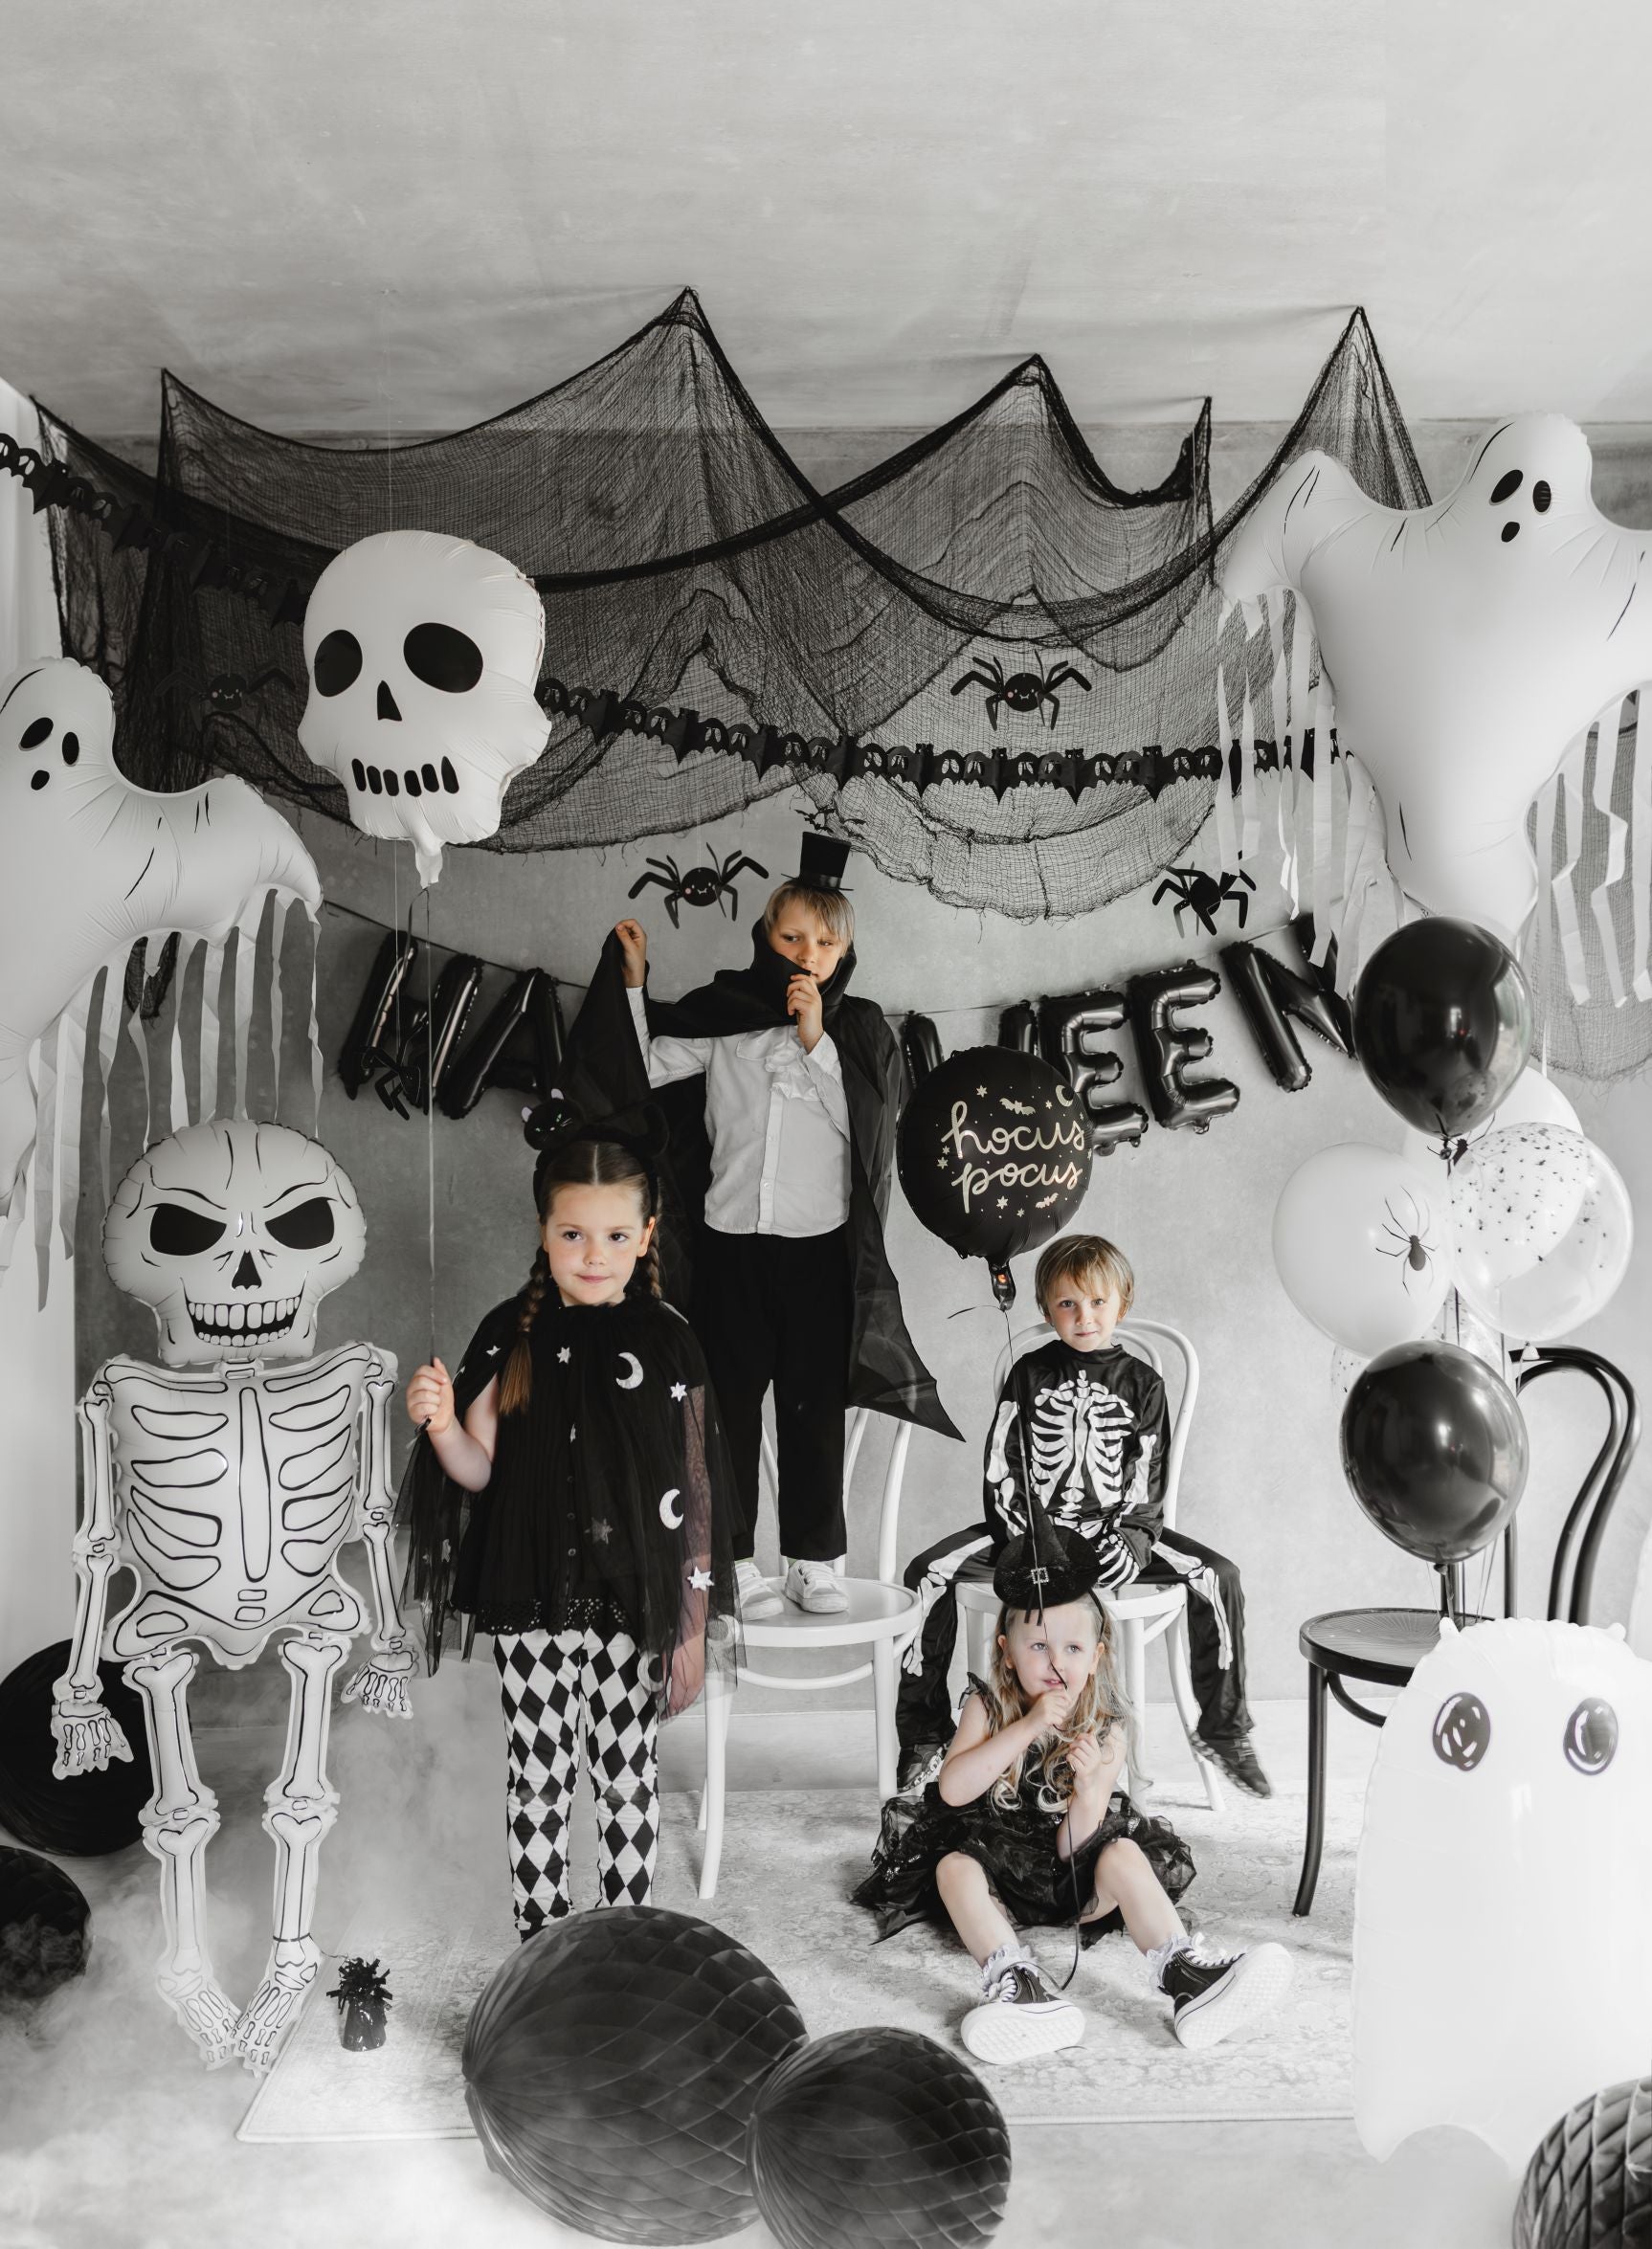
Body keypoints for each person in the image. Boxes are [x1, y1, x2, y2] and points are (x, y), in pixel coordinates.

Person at [562, 831, 958, 1626]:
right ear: (764, 938)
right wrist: (637, 987)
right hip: (729, 1248)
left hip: (817, 1254)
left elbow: (866, 1133)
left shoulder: (863, 1032)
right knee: (727, 1409)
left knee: (812, 1410)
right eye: (790, 937)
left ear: (845, 951)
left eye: (824, 941)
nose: (806, 953)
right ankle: (734, 1564)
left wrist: (815, 1042)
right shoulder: (726, 1018)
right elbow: (642, 1072)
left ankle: (816, 1564)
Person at [398, 1126, 738, 1939]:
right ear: (543, 1233)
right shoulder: (511, 1334)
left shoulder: (669, 1340)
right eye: (573, 1234)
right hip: (534, 1592)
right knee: (539, 1775)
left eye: (617, 1236)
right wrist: (443, 1425)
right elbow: (479, 1470)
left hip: (635, 1598)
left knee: (626, 1773)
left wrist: (689, 1621)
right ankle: (544, 1943)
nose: (594, 1255)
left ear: (647, 1236)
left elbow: (697, 1488)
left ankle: (622, 1939)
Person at [855, 1527, 1292, 2064]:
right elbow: (953, 1788)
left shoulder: (1106, 1729)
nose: (1055, 1662)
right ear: (1007, 1652)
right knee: (952, 1868)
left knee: (1125, 1851)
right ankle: (1020, 1982)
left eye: (1072, 1648)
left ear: (1096, 1655)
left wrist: (1087, 1794)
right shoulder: (987, 1706)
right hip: (995, 1877)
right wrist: (1026, 1728)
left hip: (1070, 1883)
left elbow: (1074, 1850)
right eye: (1037, 1646)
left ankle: (1186, 1977)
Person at [895, 1232, 1271, 1798]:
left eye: (1097, 1302)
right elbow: (1002, 1464)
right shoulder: (1028, 1373)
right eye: (1068, 1303)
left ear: (1124, 1302)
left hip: (1112, 1536)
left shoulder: (1144, 1384)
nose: (1084, 1316)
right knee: (925, 1573)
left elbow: (1150, 1479)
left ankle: (1224, 1728)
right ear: (1048, 1310)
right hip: (1030, 1533)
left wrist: (1135, 1540)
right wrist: (1022, 1534)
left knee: (1221, 1576)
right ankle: (924, 1736)